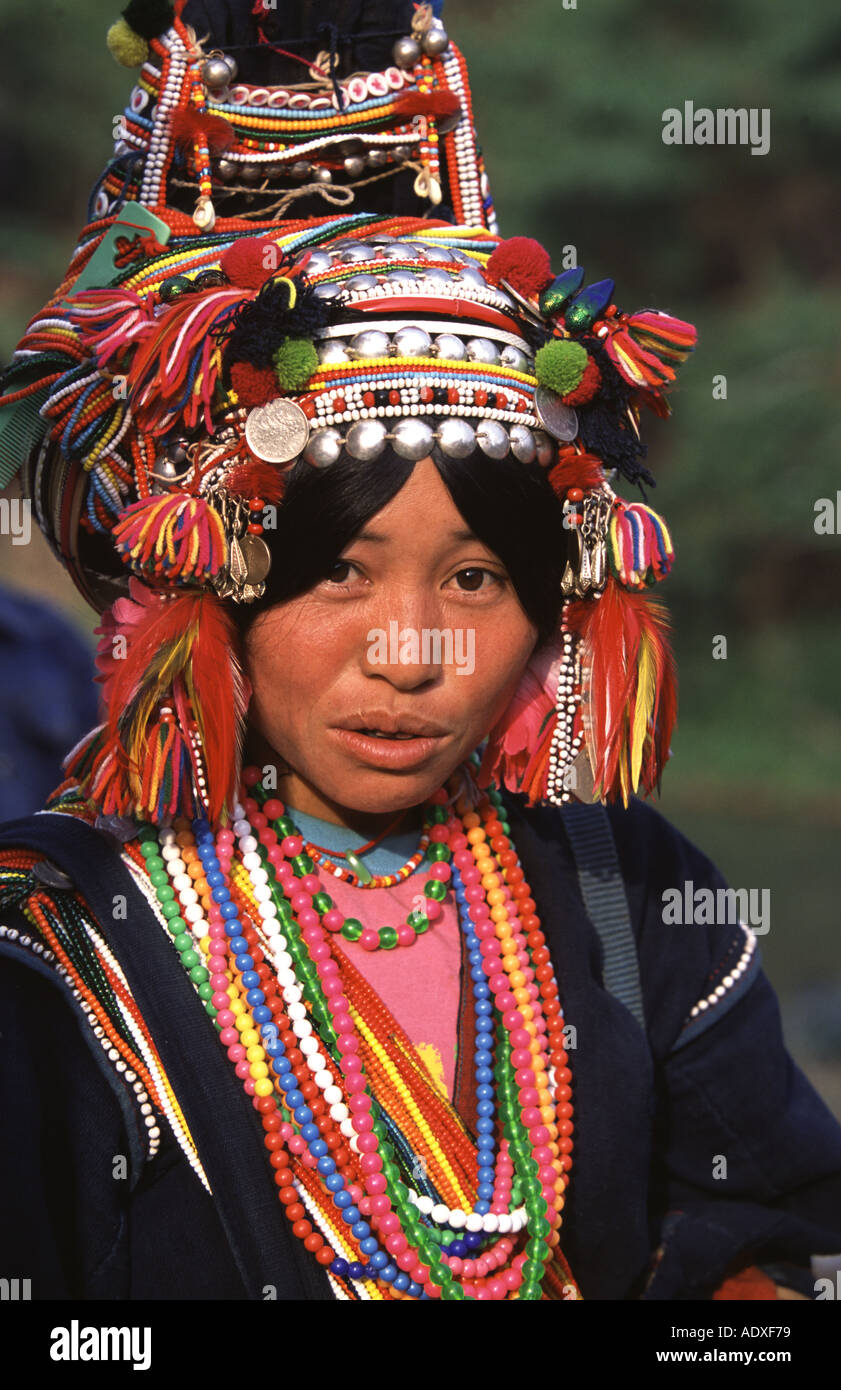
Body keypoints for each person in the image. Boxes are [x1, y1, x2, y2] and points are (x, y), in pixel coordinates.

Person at [0, 0, 840, 1303]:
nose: (409, 649)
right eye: (340, 571)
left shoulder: (619, 889)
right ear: (206, 582)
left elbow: (776, 1223)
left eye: (474, 578)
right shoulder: (56, 949)